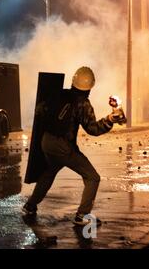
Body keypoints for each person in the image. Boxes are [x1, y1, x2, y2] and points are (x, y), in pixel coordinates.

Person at [23, 67, 126, 226]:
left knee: (49, 172)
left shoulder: (59, 93)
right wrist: (110, 120)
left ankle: (30, 206)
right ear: (91, 86)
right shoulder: (83, 103)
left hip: (46, 141)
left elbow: (41, 111)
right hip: (63, 146)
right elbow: (93, 129)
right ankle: (82, 215)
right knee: (92, 177)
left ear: (73, 81)